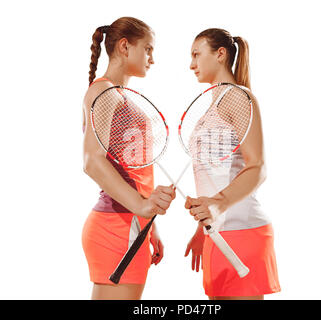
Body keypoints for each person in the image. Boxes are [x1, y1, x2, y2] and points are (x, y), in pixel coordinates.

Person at [81, 17, 175, 300]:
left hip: (131, 225)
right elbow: (92, 162)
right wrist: (142, 207)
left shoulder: (118, 94)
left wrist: (150, 225)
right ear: (124, 46)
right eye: (148, 49)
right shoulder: (103, 91)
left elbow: (133, 172)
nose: (152, 59)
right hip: (115, 227)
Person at [184, 28, 281, 300]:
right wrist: (201, 228)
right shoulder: (212, 105)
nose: (191, 64)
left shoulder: (238, 97)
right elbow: (212, 176)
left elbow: (257, 167)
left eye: (196, 55)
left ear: (220, 54)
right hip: (217, 233)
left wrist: (217, 205)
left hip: (242, 230)